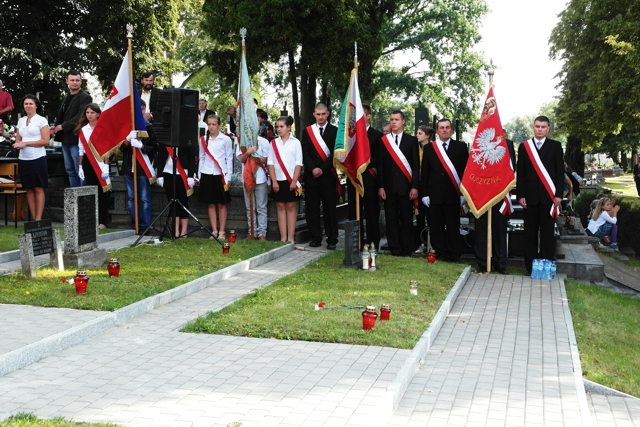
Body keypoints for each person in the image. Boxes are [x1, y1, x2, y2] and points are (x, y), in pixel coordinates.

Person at [516, 115, 564, 274]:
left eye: (543, 127)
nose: (540, 129)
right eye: (537, 126)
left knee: (547, 234)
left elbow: (559, 172)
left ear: (548, 129)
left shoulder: (556, 146)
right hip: (529, 198)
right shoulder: (524, 147)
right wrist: (520, 195)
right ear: (533, 127)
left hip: (549, 198)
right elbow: (521, 173)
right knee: (529, 233)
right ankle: (530, 268)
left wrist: (558, 194)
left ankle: (546, 267)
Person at [421, 118, 468, 262]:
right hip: (434, 195)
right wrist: (425, 194)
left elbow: (465, 172)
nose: (445, 130)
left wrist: (463, 195)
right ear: (436, 131)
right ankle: (441, 254)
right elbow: (425, 173)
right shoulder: (429, 148)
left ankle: (455, 254)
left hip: (453, 194)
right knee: (436, 227)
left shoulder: (460, 147)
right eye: (441, 127)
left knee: (453, 226)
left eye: (447, 127)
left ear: (451, 130)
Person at [473, 131, 516, 274]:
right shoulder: (477, 144)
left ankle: (500, 263)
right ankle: (483, 263)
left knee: (499, 230)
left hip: (500, 193)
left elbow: (511, 169)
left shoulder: (508, 144)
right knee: (481, 230)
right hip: (482, 192)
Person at [378, 110, 419, 256]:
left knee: (406, 220)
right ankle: (394, 249)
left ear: (403, 122)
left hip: (406, 187)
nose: (393, 122)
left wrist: (414, 186)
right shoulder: (384, 141)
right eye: (391, 119)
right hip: (389, 188)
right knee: (391, 220)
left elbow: (415, 165)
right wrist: (381, 186)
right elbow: (381, 165)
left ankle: (407, 249)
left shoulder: (411, 140)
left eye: (396, 119)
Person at [301, 103, 340, 250]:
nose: (321, 117)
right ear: (314, 114)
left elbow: (336, 153)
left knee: (330, 208)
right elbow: (305, 152)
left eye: (323, 114)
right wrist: (312, 168)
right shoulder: (307, 131)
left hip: (328, 175)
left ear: (328, 114)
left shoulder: (335, 131)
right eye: (318, 114)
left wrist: (322, 169)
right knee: (312, 208)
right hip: (312, 176)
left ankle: (332, 239)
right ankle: (315, 237)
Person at [347, 104, 383, 250]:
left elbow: (377, 158)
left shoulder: (377, 135)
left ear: (368, 116)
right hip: (353, 179)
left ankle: (372, 242)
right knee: (354, 212)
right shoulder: (351, 135)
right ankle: (356, 242)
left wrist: (362, 164)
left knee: (371, 212)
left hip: (369, 179)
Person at [120, 99, 158, 231]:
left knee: (144, 198)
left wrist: (142, 146)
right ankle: (134, 224)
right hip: (128, 167)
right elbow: (121, 149)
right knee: (131, 198)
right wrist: (127, 140)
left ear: (144, 110)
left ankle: (145, 225)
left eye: (141, 109)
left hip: (142, 169)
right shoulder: (126, 127)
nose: (139, 112)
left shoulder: (149, 127)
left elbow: (154, 148)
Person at [52, 70, 92, 188]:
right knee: (70, 170)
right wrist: (56, 126)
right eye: (72, 80)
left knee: (79, 169)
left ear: (81, 81)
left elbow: (80, 117)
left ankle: (82, 198)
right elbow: (63, 116)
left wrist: (62, 126)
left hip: (77, 138)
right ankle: (74, 197)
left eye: (77, 80)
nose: (75, 83)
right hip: (65, 139)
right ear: (67, 81)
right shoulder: (67, 97)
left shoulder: (85, 97)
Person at [75, 103, 110, 228]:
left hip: (100, 161)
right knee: (91, 190)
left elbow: (107, 148)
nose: (89, 115)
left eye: (92, 112)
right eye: (88, 112)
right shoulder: (83, 130)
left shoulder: (102, 128)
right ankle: (92, 219)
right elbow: (80, 149)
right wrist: (80, 166)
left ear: (98, 114)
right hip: (87, 162)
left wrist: (106, 165)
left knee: (102, 192)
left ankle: (102, 221)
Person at [267, 116, 302, 243]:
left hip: (291, 179)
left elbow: (299, 163)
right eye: (277, 127)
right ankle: (283, 238)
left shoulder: (296, 142)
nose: (279, 129)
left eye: (281, 126)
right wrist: (274, 181)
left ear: (288, 127)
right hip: (278, 179)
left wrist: (293, 181)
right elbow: (270, 163)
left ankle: (291, 238)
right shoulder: (273, 143)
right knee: (280, 206)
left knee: (291, 207)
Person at [14, 95, 49, 221]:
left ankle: (39, 219)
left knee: (37, 188)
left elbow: (46, 141)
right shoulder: (21, 120)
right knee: (28, 188)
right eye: (26, 104)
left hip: (38, 157)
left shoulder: (41, 121)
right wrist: (18, 143)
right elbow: (19, 138)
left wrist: (26, 143)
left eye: (30, 104)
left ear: (36, 106)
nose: (28, 106)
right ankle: (34, 219)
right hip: (24, 158)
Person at [198, 115, 233, 240]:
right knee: (211, 204)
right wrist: (199, 174)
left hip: (220, 174)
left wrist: (229, 176)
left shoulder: (225, 140)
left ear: (219, 125)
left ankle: (222, 231)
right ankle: (214, 230)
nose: (211, 127)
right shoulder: (203, 139)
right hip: (207, 173)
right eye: (209, 124)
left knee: (222, 204)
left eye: (213, 124)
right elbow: (201, 157)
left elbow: (229, 158)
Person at [156, 139, 196, 238]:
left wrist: (191, 175)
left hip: (183, 173)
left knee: (183, 202)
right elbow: (160, 157)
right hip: (168, 172)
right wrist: (160, 174)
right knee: (172, 202)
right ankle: (176, 231)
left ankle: (184, 231)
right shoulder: (166, 138)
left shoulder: (187, 138)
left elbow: (191, 158)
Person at [237, 133, 270, 240]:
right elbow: (241, 159)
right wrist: (248, 152)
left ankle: (262, 233)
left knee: (261, 207)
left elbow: (267, 160)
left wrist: (255, 155)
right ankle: (252, 232)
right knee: (249, 207)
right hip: (247, 178)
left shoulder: (264, 141)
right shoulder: (241, 142)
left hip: (260, 178)